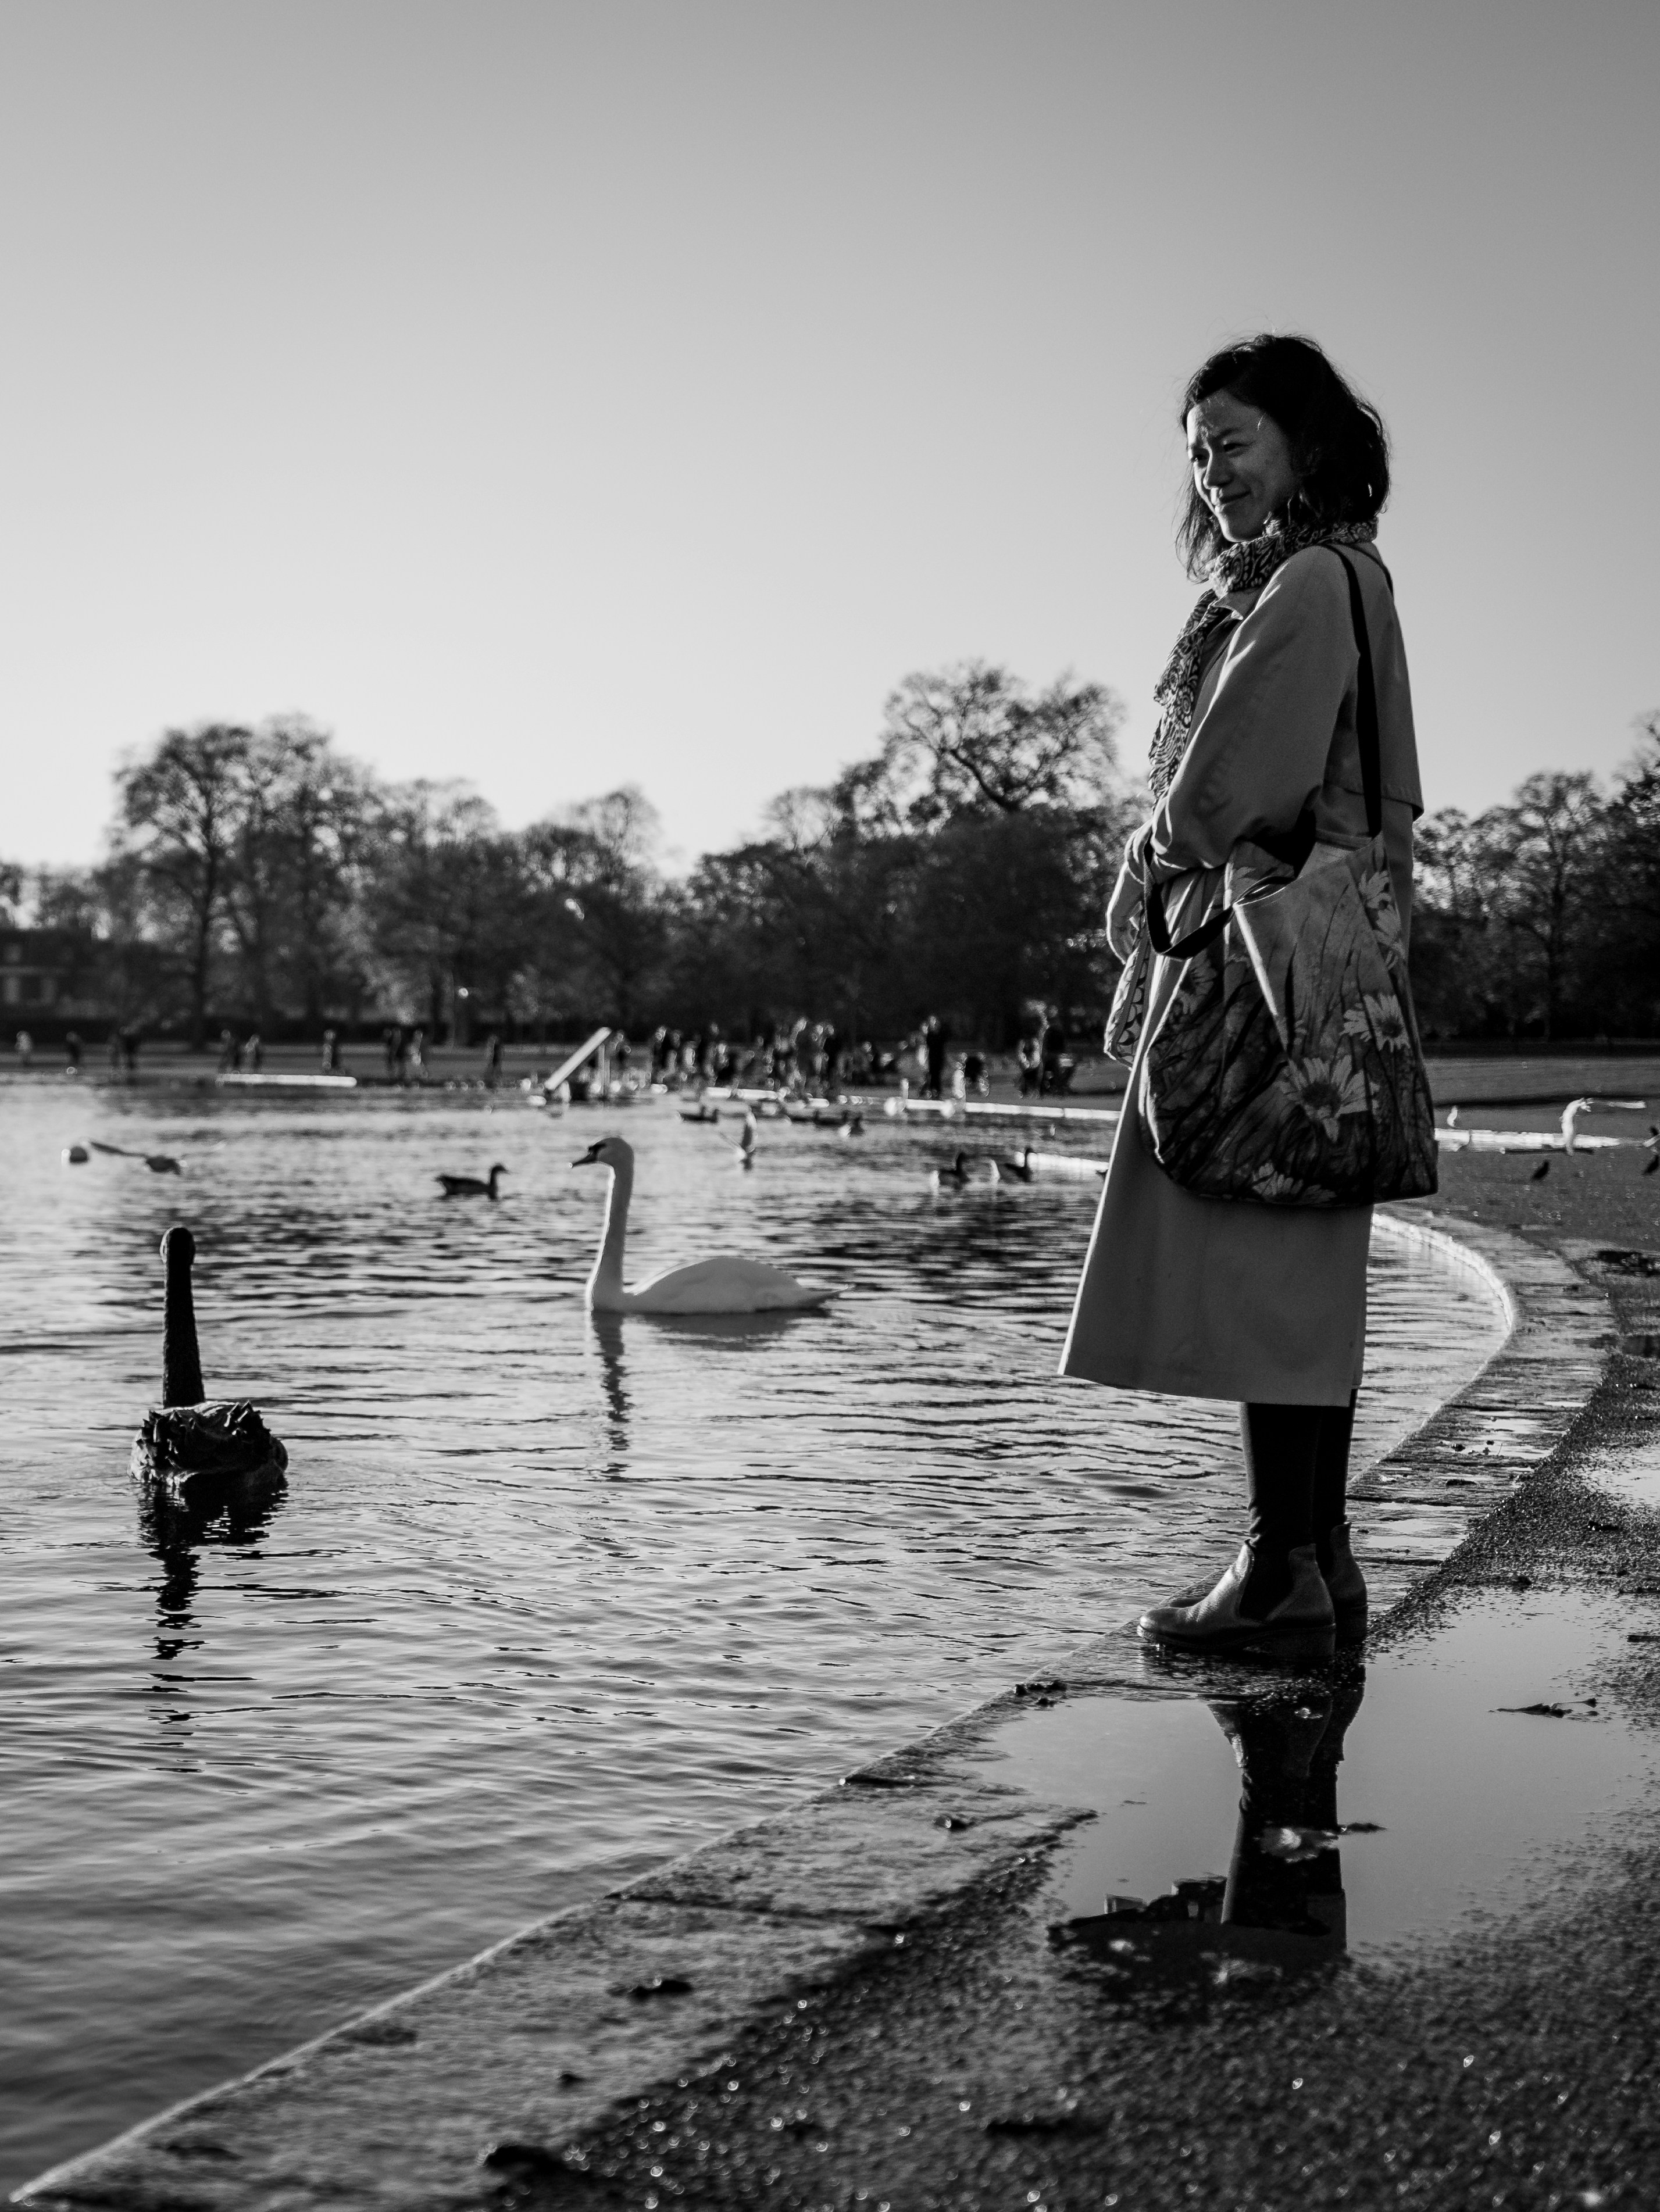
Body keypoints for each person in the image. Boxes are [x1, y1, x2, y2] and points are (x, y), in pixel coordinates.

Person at [1060, 333, 1422, 1660]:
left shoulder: (1310, 583)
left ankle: (1281, 1568)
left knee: (1271, 1248)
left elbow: (1230, 781)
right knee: (1299, 1250)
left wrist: (1149, 863)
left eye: (1233, 444)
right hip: (1329, 944)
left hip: (1267, 950)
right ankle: (1314, 1557)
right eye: (1199, 454)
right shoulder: (1349, 574)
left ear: (1305, 445)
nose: (1211, 474)